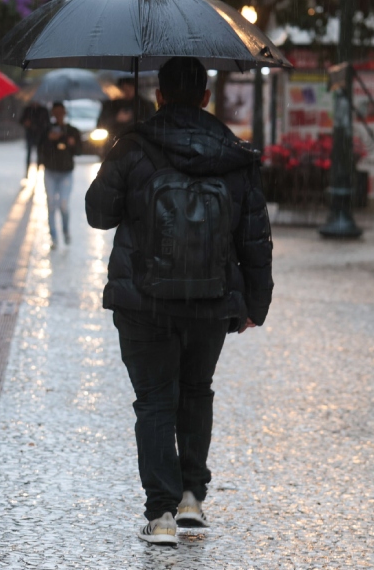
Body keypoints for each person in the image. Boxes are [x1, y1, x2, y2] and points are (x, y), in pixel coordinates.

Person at [85, 56, 273, 547]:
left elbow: (98, 214)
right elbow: (255, 239)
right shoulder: (236, 155)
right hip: (211, 300)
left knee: (154, 403)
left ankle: (161, 514)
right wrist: (255, 303)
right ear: (207, 97)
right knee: (196, 392)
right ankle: (192, 497)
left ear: (159, 95)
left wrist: (127, 163)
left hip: (143, 300)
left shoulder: (134, 147)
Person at [39, 102, 81, 248]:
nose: (58, 115)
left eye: (60, 112)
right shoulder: (46, 130)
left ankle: (65, 230)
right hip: (50, 171)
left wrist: (72, 143)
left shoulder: (72, 130)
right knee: (51, 204)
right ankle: (54, 238)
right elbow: (40, 149)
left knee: (63, 204)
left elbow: (79, 151)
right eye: (55, 112)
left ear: (65, 112)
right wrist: (49, 140)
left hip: (66, 173)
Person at [97, 76, 154, 151]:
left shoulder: (145, 105)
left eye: (130, 88)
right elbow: (100, 124)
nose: (127, 91)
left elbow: (150, 123)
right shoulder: (111, 105)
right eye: (124, 89)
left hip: (138, 145)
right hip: (113, 145)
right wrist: (116, 119)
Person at [19, 101, 51, 170]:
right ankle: (27, 170)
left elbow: (47, 123)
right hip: (30, 134)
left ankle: (39, 169)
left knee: (40, 153)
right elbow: (21, 120)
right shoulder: (28, 110)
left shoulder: (43, 110)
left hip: (41, 135)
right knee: (29, 153)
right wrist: (26, 123)